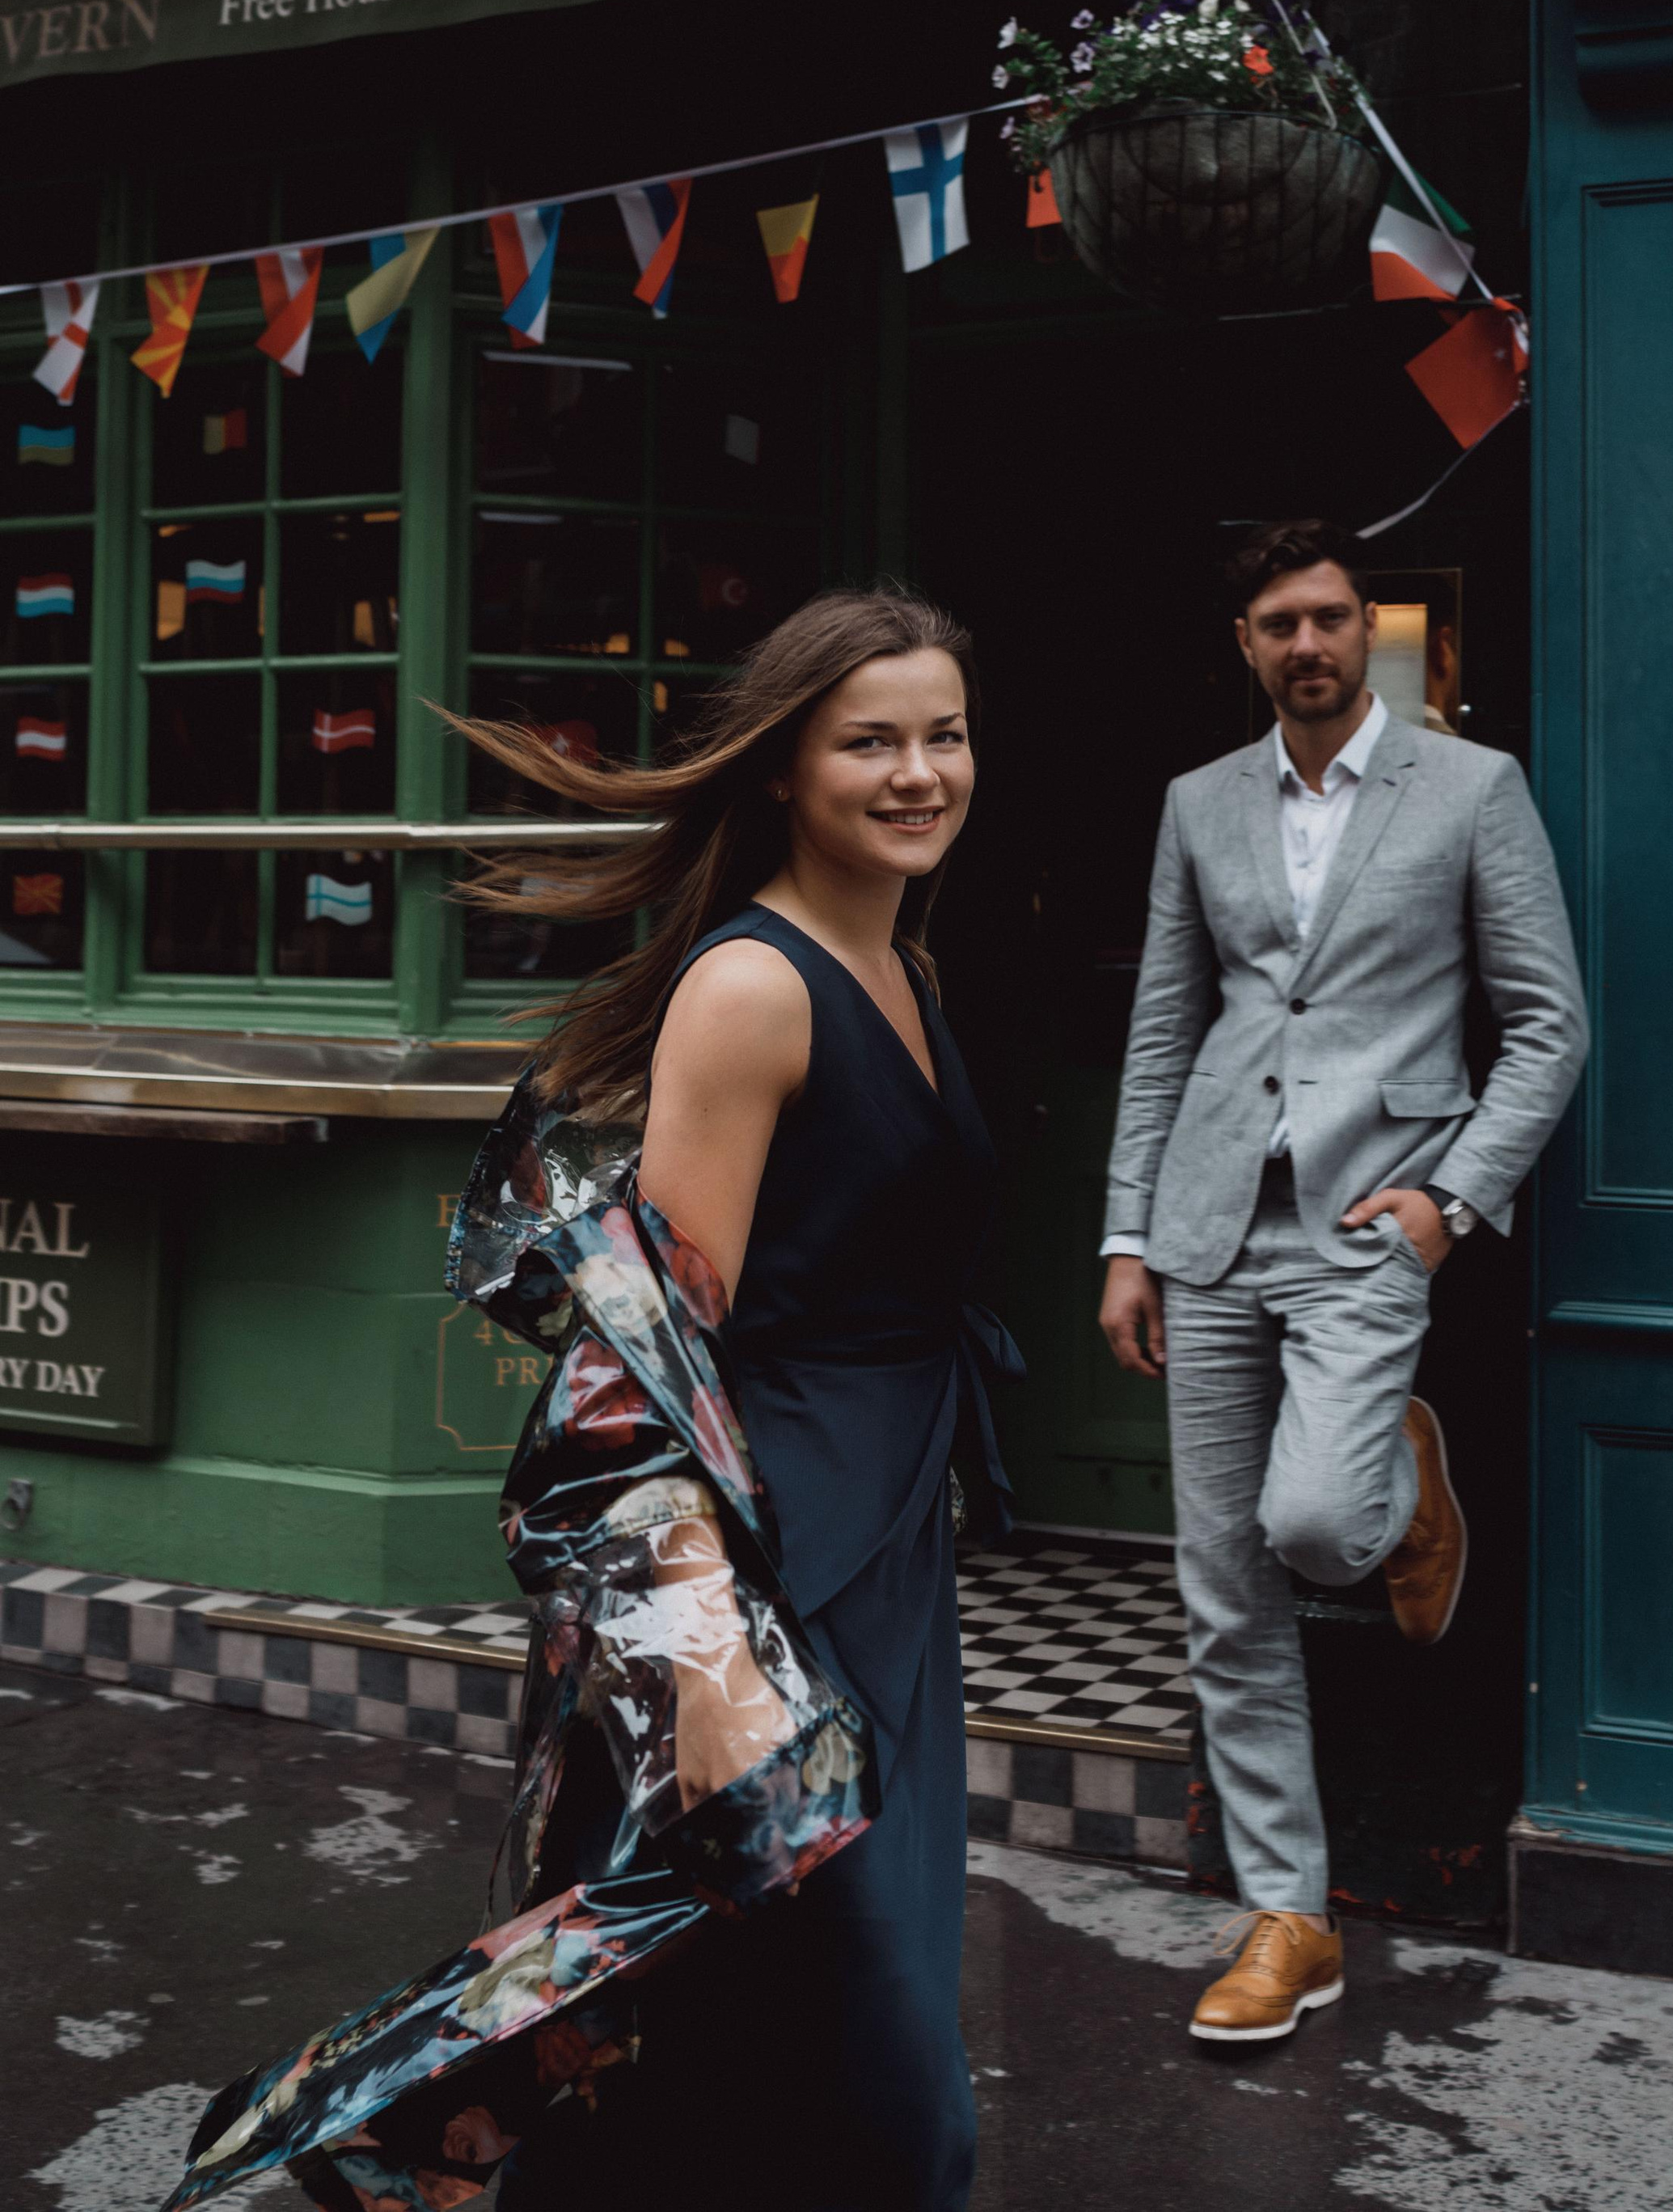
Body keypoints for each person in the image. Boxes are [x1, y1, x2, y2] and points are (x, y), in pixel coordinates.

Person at [164, 589, 1010, 2212]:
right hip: (778, 1570)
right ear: (782, 766)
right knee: (867, 2058)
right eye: (871, 739)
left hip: (886, 1545)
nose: (918, 770)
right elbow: (642, 1358)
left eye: (944, 732)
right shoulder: (753, 987)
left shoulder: (902, 960)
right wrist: (700, 1663)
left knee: (758, 2026)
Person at [1098, 519, 1586, 2046]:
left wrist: (1451, 1203)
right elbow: (1166, 1029)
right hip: (1211, 1217)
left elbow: (1549, 1023)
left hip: (1373, 1220)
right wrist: (1126, 1234)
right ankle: (1288, 1914)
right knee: (1222, 1586)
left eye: (1327, 619)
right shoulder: (1199, 801)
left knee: (1312, 1521)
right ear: (1242, 643)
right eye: (1275, 625)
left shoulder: (1472, 787)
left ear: (1366, 633)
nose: (1305, 646)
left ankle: (1407, 1482)